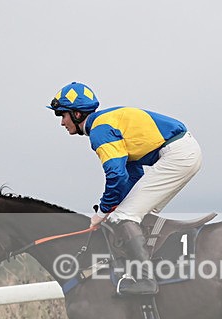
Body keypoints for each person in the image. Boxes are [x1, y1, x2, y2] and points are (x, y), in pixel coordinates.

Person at [48, 81, 202, 296]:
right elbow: (133, 175)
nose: (61, 122)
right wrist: (113, 206)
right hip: (183, 152)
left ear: (76, 114)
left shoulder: (100, 131)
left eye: (62, 115)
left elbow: (116, 175)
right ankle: (150, 267)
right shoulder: (106, 123)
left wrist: (103, 211)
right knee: (136, 212)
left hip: (177, 155)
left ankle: (146, 280)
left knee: (124, 216)